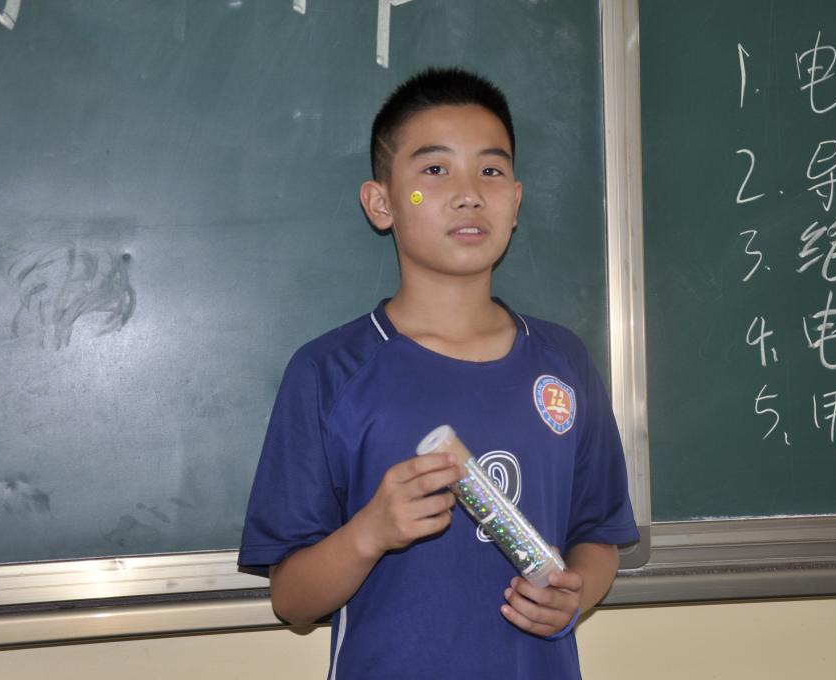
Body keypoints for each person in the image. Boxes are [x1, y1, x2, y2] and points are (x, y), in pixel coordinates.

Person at [238, 67, 639, 680]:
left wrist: (575, 593)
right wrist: (370, 532)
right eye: (434, 170)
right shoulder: (329, 372)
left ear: (516, 201)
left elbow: (599, 536)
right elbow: (292, 601)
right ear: (382, 203)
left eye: (491, 171)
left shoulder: (563, 361)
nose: (468, 193)